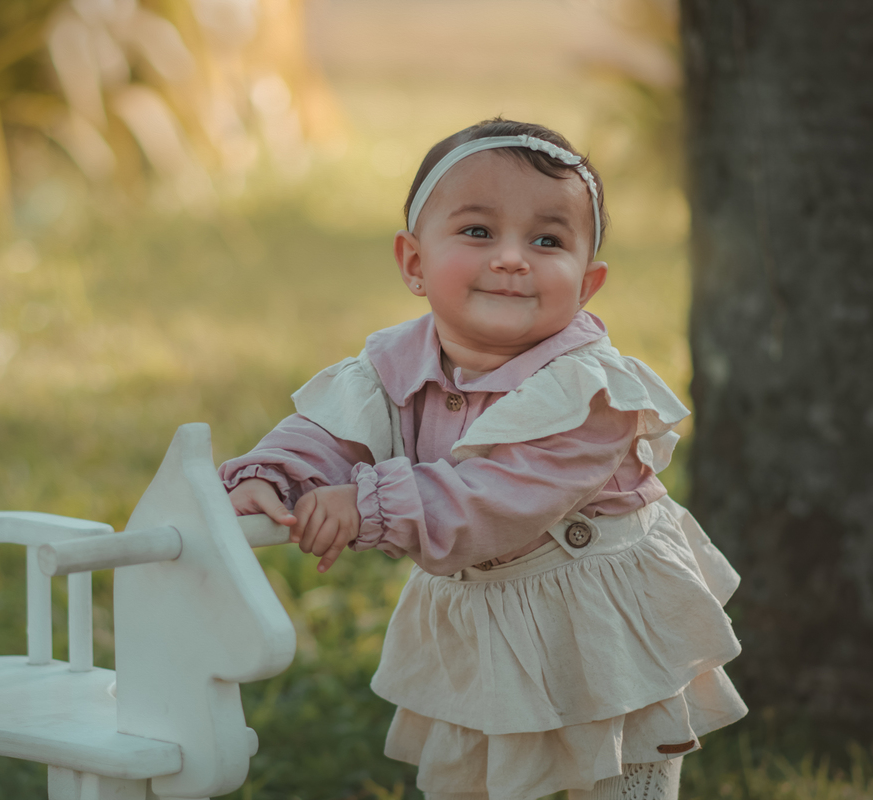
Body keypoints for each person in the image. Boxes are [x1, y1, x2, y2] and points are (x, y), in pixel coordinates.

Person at [218, 117, 747, 800]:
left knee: (617, 772)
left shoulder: (591, 392)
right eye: (477, 231)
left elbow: (500, 497)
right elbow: (328, 432)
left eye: (548, 241)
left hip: (599, 614)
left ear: (587, 284)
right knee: (479, 773)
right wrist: (272, 475)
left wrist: (367, 505)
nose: (512, 259)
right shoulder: (391, 366)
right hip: (482, 615)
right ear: (415, 263)